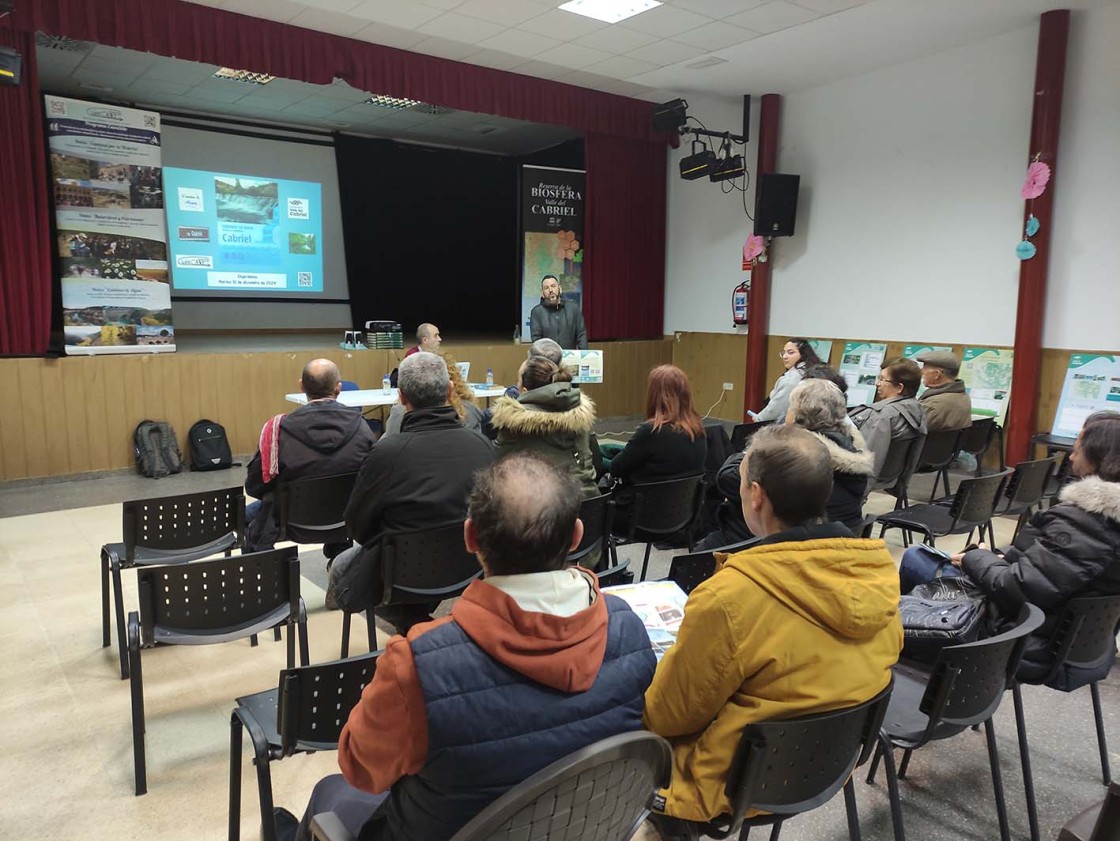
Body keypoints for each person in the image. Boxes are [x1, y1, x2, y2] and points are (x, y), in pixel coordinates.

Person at [282, 454, 657, 841]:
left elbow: (361, 769)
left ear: (470, 537)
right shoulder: (627, 626)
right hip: (580, 827)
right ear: (578, 536)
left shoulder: (415, 663)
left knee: (328, 793)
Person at [642, 425, 902, 832]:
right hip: (829, 765)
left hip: (730, 786)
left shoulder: (731, 596)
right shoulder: (878, 574)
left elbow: (667, 718)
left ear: (756, 495)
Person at [898, 411, 1120, 688]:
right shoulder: (1099, 524)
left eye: (1078, 447)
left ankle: (902, 655)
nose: (1072, 457)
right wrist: (999, 559)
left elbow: (1018, 590)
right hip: (1078, 643)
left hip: (1023, 638)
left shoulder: (1085, 524)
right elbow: (1053, 573)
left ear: (1101, 458)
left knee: (916, 558)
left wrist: (975, 559)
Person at [326, 352, 494, 619]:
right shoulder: (483, 446)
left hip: (403, 575)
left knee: (340, 566)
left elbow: (357, 527)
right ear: (450, 390)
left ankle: (414, 628)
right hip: (470, 569)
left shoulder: (385, 453)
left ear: (401, 397)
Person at [243, 358, 374, 552]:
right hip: (343, 521)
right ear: (338, 388)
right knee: (341, 491)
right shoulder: (362, 427)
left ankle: (267, 573)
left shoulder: (277, 430)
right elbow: (371, 481)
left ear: (301, 386)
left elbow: (254, 486)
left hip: (292, 523)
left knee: (245, 516)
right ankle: (338, 561)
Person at [606, 365, 707, 528]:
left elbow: (616, 468)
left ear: (654, 395)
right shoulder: (699, 430)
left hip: (641, 518)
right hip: (684, 517)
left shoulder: (652, 431)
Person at [489, 355, 598, 497]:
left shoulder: (514, 424)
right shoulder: (580, 415)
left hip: (543, 508)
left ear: (525, 391)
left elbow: (495, 463)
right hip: (589, 503)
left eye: (519, 381)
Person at [786, 378, 875, 531]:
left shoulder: (802, 453)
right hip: (849, 535)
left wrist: (783, 431)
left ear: (799, 413)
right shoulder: (850, 443)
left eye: (791, 407)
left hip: (813, 542)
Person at [850, 357, 927, 478]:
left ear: (899, 387)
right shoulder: (916, 408)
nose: (877, 383)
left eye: (882, 379)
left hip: (862, 478)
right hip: (892, 475)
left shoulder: (881, 416)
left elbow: (867, 458)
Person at [383, 353, 482, 436]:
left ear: (402, 395)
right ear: (450, 388)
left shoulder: (399, 413)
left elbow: (385, 447)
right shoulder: (471, 413)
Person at [751, 337, 823, 423]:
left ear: (803, 354)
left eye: (790, 353)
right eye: (783, 353)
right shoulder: (815, 371)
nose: (785, 356)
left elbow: (776, 408)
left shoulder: (793, 378)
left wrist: (759, 419)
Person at [914, 350, 972, 431]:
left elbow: (907, 433)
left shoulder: (932, 405)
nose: (921, 371)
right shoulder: (964, 397)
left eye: (925, 367)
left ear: (937, 374)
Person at [529, 275, 587, 349]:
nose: (550, 290)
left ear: (560, 289)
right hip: (548, 359)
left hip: (571, 358)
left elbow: (581, 336)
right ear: (542, 293)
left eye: (553, 286)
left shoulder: (573, 308)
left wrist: (583, 358)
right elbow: (537, 341)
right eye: (546, 288)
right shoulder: (536, 312)